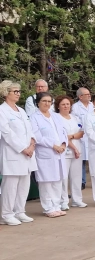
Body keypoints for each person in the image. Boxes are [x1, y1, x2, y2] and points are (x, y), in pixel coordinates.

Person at [0, 80, 37, 225]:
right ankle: (6, 214)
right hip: (14, 153)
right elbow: (7, 133)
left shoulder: (21, 110)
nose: (18, 94)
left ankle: (19, 211)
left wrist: (32, 144)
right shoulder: (2, 111)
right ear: (5, 93)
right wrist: (23, 148)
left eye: (19, 91)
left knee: (24, 183)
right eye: (15, 91)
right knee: (11, 185)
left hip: (28, 154)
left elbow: (30, 129)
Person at [31, 92, 69, 217]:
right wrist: (53, 145)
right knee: (46, 182)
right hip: (46, 153)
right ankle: (48, 208)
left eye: (49, 101)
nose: (47, 104)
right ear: (38, 103)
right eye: (44, 101)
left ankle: (56, 206)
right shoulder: (34, 117)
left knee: (58, 180)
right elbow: (37, 136)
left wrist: (63, 144)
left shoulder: (55, 116)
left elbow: (64, 132)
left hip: (59, 153)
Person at [55, 95, 87, 209]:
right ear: (58, 106)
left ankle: (77, 200)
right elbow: (63, 137)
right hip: (64, 151)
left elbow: (81, 132)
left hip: (77, 151)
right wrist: (73, 145)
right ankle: (63, 202)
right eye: (63, 104)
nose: (66, 106)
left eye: (67, 104)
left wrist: (72, 136)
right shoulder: (56, 118)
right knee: (64, 178)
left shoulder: (75, 118)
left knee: (76, 176)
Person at [71, 87, 93, 190]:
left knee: (93, 159)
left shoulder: (92, 105)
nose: (89, 95)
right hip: (81, 136)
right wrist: (82, 128)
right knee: (82, 161)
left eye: (89, 94)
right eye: (86, 94)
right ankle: (82, 181)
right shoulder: (75, 107)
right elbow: (74, 121)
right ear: (80, 96)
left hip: (92, 136)